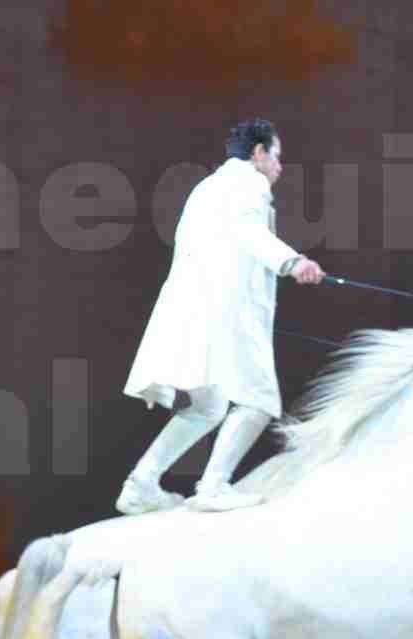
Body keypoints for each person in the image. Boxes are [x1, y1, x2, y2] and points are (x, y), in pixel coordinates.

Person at [118, 118, 325, 514]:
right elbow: (249, 232)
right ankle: (214, 485)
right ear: (259, 152)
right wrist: (292, 261)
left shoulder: (207, 187)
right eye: (277, 157)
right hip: (228, 312)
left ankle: (140, 484)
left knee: (207, 407)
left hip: (193, 311)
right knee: (260, 399)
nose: (280, 167)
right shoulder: (249, 183)